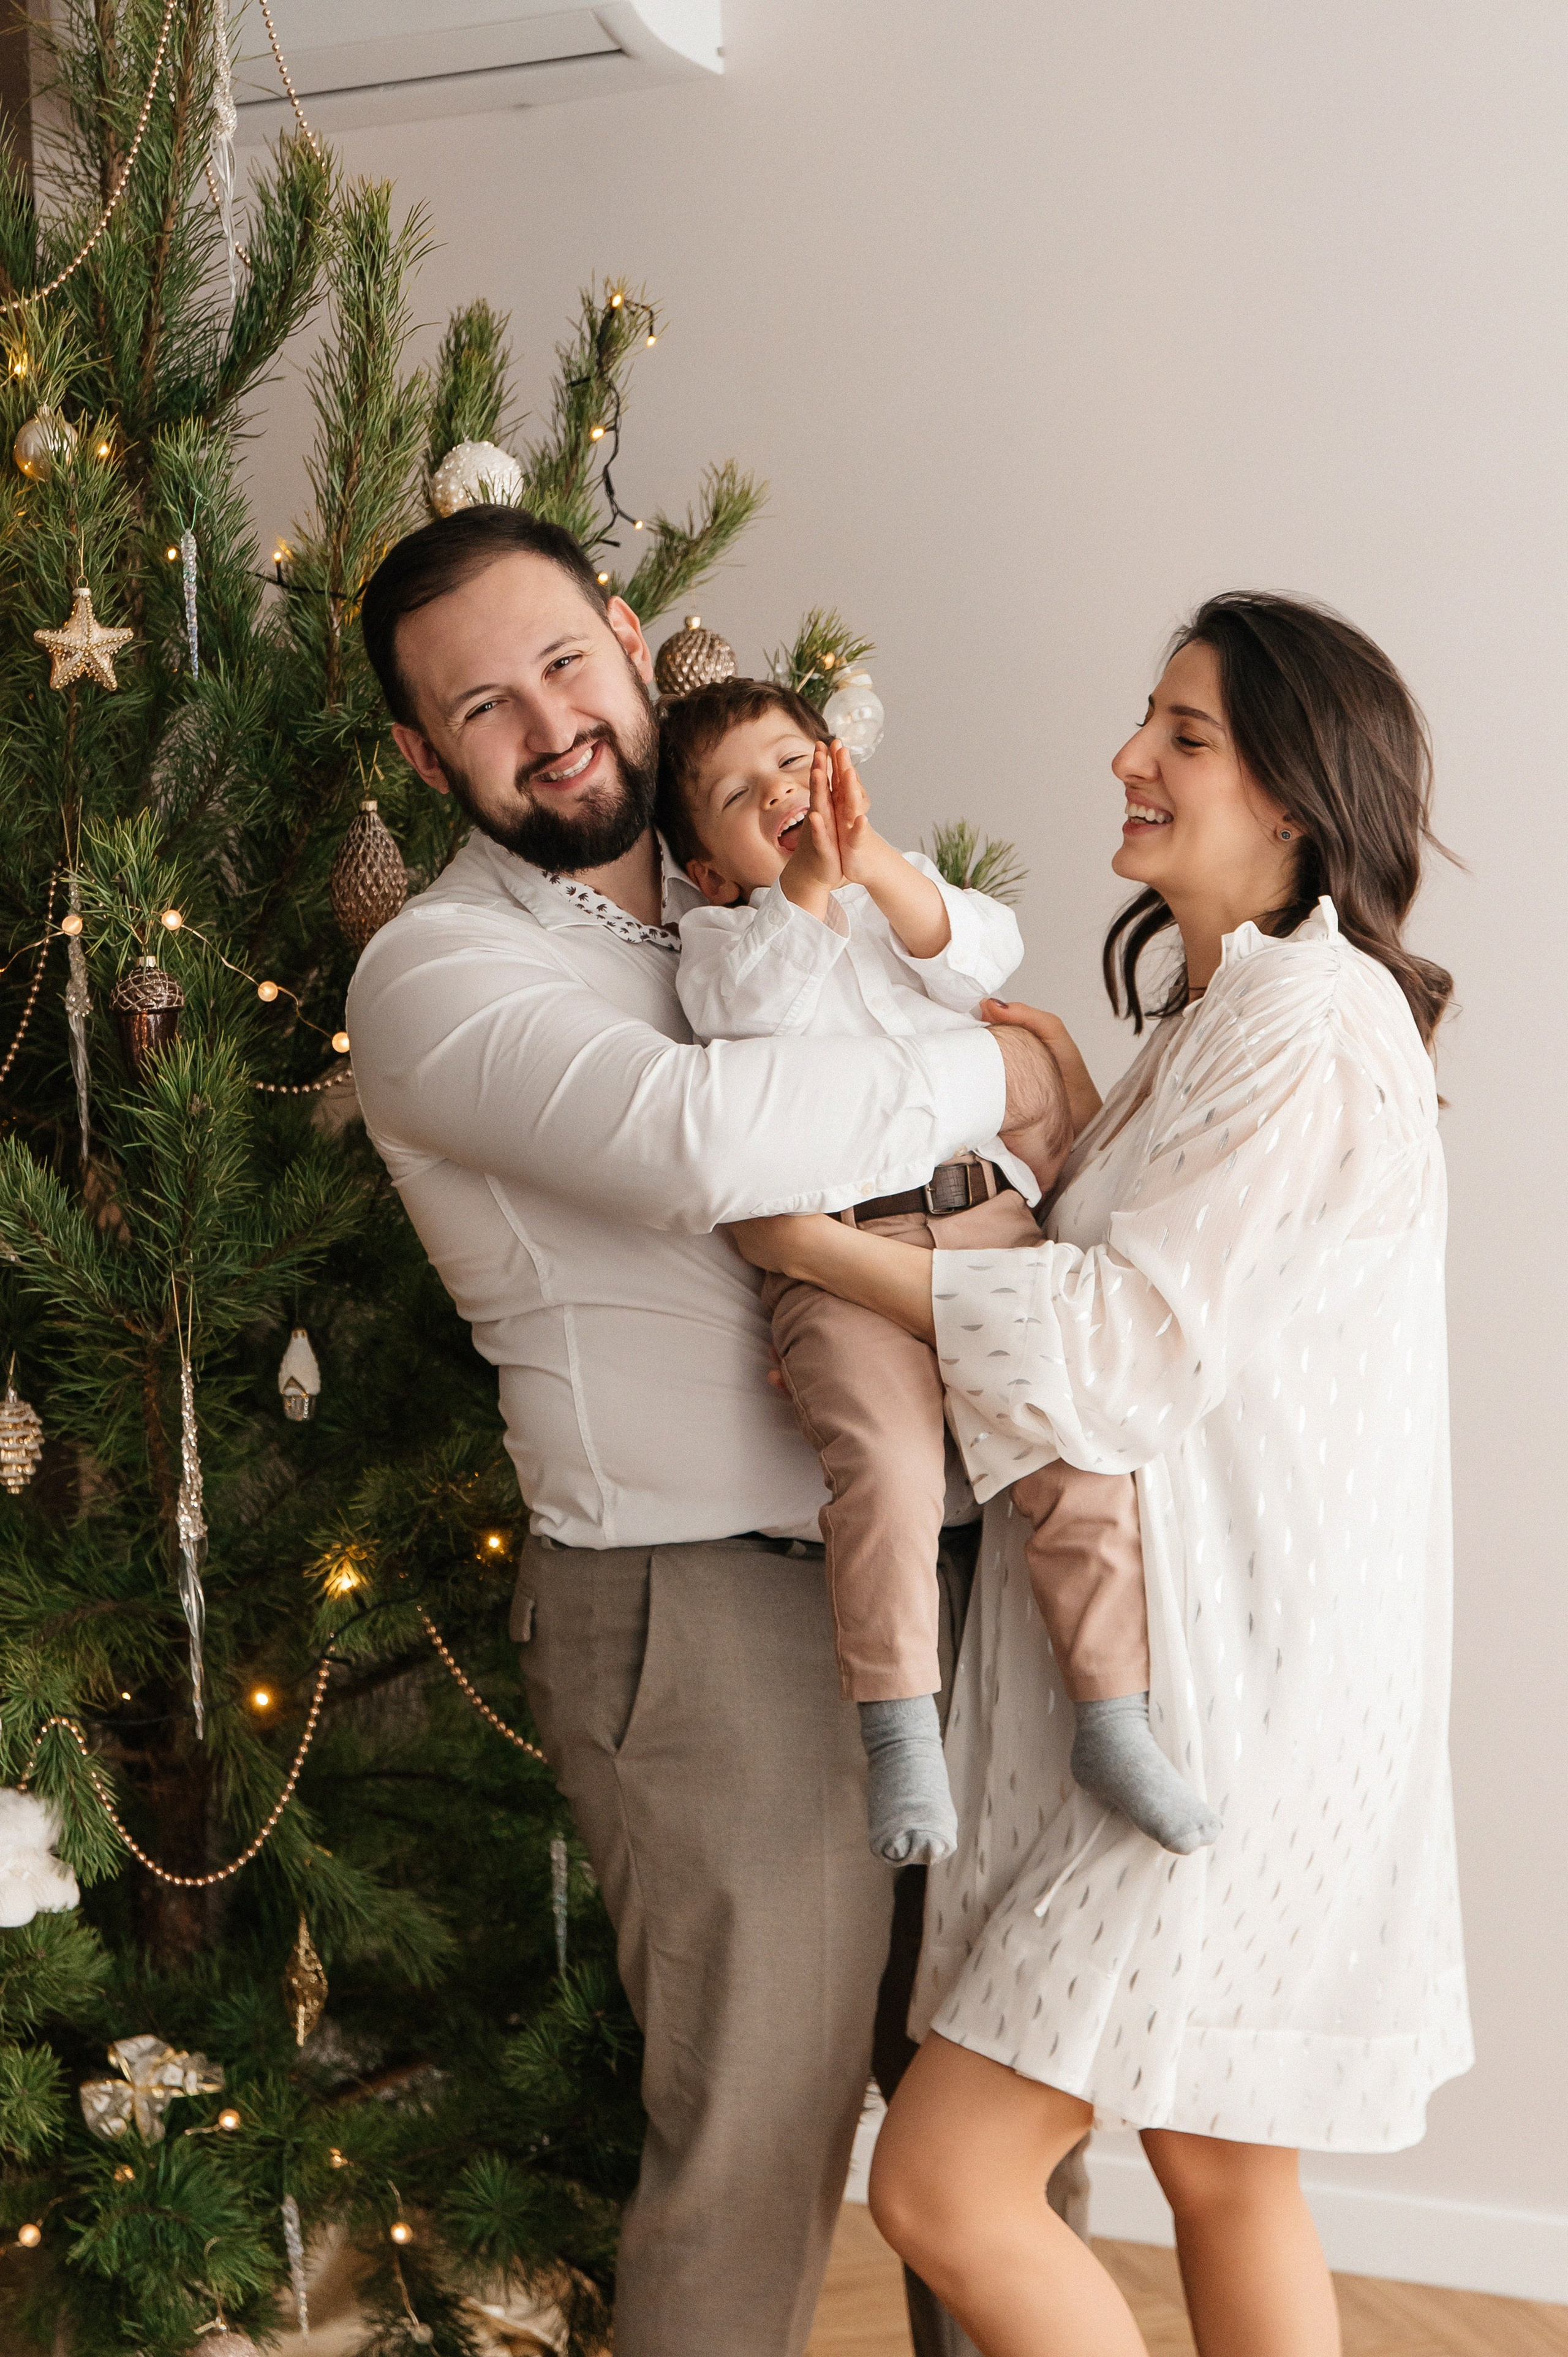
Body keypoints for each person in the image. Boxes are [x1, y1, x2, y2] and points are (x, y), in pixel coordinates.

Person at [344, 502, 1076, 2357]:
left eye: (567, 664)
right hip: (703, 1608)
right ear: (431, 759)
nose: (552, 724)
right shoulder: (433, 975)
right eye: (485, 708)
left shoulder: (761, 882)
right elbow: (707, 1147)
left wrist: (978, 1058)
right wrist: (1011, 1065)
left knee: (1004, 2150)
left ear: (630, 632)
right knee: (753, 2158)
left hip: (961, 1564)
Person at [731, 592, 1473, 2357]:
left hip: (1224, 1705)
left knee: (939, 2190)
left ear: (1298, 796)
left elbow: (1123, 1340)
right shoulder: (1236, 1017)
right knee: (1223, 2167)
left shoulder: (1306, 1025)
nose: (1131, 757)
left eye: (1185, 734)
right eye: (1148, 719)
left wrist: (808, 1248)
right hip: (1249, 1676)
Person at [657, 675, 1222, 1867]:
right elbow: (755, 1005)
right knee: (887, 1472)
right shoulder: (720, 949)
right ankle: (899, 1729)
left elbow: (981, 958)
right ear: (706, 871)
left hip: (981, 1226)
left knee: (1072, 1449)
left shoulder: (883, 907)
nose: (779, 794)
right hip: (836, 1260)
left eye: (793, 765)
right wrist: (808, 885)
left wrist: (870, 866)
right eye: (738, 793)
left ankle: (1110, 1714)